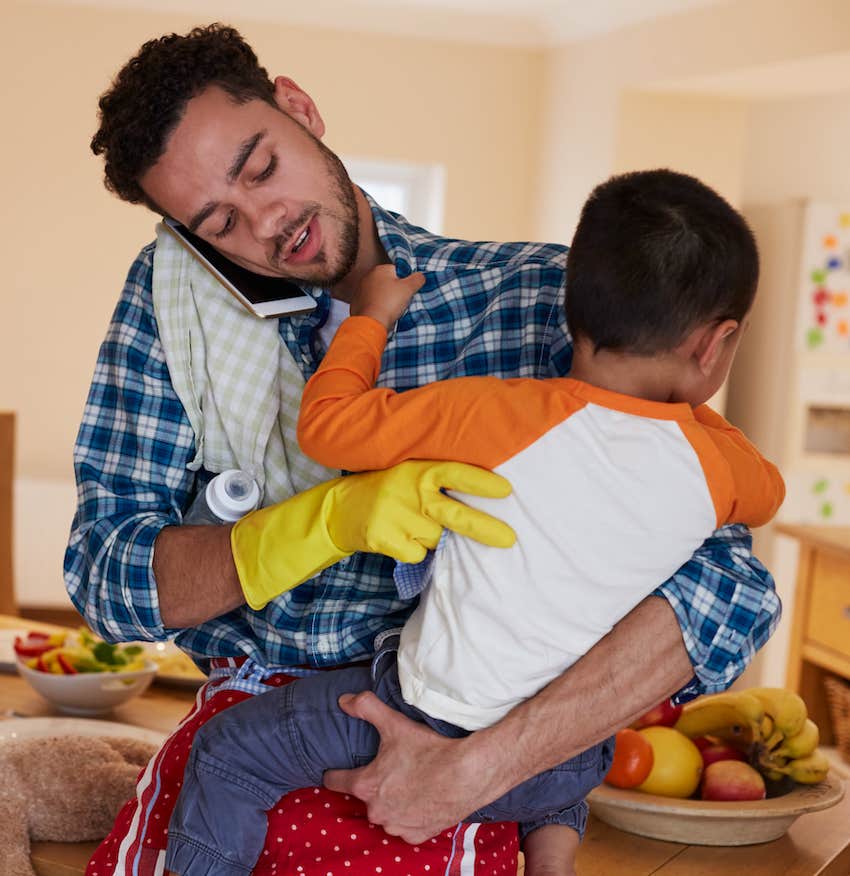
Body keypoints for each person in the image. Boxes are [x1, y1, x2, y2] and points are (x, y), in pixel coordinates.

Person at [67, 23, 781, 876]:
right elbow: (105, 577)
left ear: (299, 106)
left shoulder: (535, 303)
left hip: (473, 747)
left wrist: (476, 768)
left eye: (261, 167)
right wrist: (318, 525)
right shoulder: (176, 311)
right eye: (218, 221)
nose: (266, 221)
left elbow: (726, 589)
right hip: (260, 729)